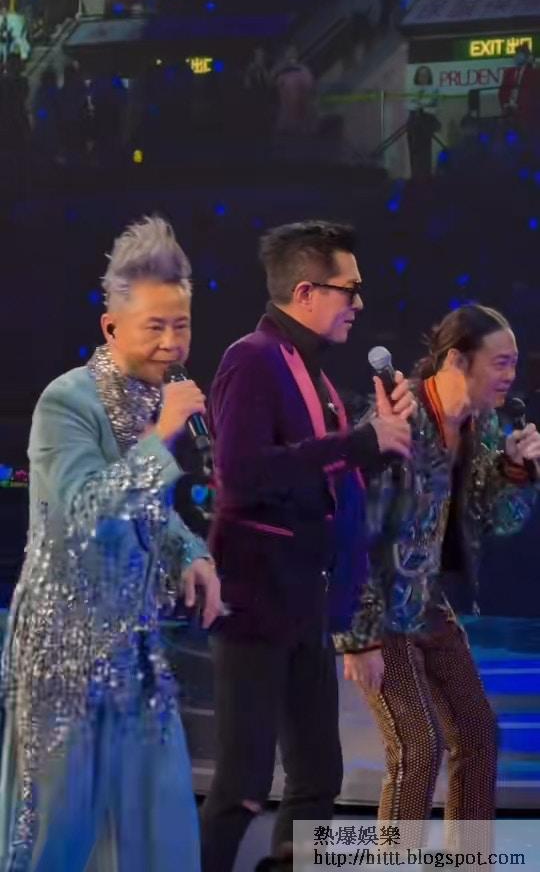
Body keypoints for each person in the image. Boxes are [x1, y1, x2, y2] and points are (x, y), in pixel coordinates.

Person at [0, 215, 223, 871]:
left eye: (181, 325)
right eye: (155, 327)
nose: (171, 343)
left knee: (161, 833)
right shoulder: (65, 404)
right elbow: (86, 510)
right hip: (63, 658)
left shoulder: (148, 402)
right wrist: (164, 436)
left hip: (135, 652)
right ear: (111, 327)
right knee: (57, 837)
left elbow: (151, 511)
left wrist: (191, 554)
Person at [200, 219, 415, 872]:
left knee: (318, 776)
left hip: (308, 605)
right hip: (257, 600)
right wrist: (359, 442)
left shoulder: (311, 375)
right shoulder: (251, 359)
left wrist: (380, 444)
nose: (359, 303)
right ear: (305, 291)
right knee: (242, 782)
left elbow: (322, 479)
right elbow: (241, 475)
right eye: (349, 289)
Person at [338, 305, 540, 828]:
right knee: (417, 746)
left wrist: (516, 472)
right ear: (456, 359)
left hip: (425, 600)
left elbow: (495, 520)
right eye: (500, 362)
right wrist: (359, 638)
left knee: (478, 734)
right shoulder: (401, 415)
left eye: (514, 363)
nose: (510, 375)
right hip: (377, 602)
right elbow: (355, 526)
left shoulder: (482, 424)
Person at [407, 64, 440, 178]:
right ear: (417, 76)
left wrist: (420, 104)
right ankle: (415, 176)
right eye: (421, 75)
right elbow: (409, 105)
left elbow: (433, 106)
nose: (423, 77)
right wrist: (422, 104)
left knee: (426, 153)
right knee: (414, 152)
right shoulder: (411, 89)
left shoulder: (434, 89)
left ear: (429, 76)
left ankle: (426, 176)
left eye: (425, 75)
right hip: (413, 123)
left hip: (427, 122)